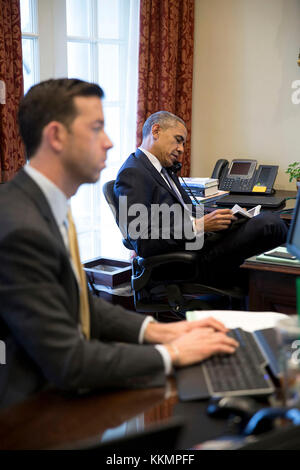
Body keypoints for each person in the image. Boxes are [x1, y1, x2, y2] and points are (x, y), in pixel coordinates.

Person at [0, 79, 239, 409]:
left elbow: (79, 305)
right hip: (29, 412)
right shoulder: (20, 227)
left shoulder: (47, 205)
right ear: (56, 136)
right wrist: (173, 353)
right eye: (97, 129)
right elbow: (70, 362)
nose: (110, 143)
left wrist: (160, 332)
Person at [114, 111, 288, 286]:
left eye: (183, 143)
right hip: (182, 262)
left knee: (264, 221)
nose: (181, 149)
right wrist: (199, 225)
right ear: (156, 131)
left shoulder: (164, 169)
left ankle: (263, 295)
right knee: (269, 225)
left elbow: (182, 213)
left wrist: (224, 218)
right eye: (178, 139)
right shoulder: (133, 173)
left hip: (197, 246)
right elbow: (142, 241)